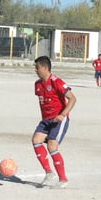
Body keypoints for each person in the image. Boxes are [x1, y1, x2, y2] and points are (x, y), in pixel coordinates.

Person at [32, 56, 77, 188]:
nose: (35, 70)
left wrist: (63, 115)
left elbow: (73, 99)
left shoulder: (56, 82)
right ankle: (48, 172)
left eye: (37, 67)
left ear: (45, 68)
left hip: (59, 119)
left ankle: (63, 179)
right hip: (46, 120)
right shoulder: (37, 84)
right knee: (36, 140)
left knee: (52, 146)